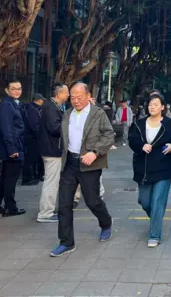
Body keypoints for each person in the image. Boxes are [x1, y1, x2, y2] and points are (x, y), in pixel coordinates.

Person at [51, 83, 115, 257]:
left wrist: (95, 153)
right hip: (70, 163)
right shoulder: (67, 114)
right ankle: (66, 242)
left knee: (92, 200)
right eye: (73, 97)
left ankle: (106, 222)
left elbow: (109, 135)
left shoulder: (98, 114)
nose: (76, 100)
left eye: (80, 97)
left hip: (89, 164)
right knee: (64, 203)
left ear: (88, 96)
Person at [128, 94, 171, 247]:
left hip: (162, 168)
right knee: (144, 201)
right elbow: (132, 140)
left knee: (158, 202)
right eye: (150, 104)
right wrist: (141, 146)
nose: (152, 107)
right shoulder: (138, 124)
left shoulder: (169, 125)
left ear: (163, 107)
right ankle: (155, 219)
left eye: (156, 104)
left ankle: (154, 235)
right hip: (143, 169)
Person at [0, 79, 26, 217]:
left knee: (5, 177)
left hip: (15, 145)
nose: (17, 91)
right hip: (11, 147)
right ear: (7, 90)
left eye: (19, 88)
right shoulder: (6, 105)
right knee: (11, 178)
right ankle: (10, 207)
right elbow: (7, 129)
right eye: (13, 88)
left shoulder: (15, 104)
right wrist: (12, 149)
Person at [37, 83, 69, 223]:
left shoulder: (54, 106)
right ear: (59, 94)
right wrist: (69, 125)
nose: (68, 95)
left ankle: (48, 210)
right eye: (66, 92)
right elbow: (54, 128)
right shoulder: (51, 107)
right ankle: (45, 213)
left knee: (52, 181)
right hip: (51, 149)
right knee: (51, 182)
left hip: (51, 148)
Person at [22, 93, 45, 186]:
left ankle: (34, 175)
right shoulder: (32, 110)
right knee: (30, 159)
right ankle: (27, 178)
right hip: (31, 138)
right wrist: (40, 136)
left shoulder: (33, 108)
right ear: (39, 100)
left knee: (34, 158)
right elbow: (34, 126)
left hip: (32, 137)